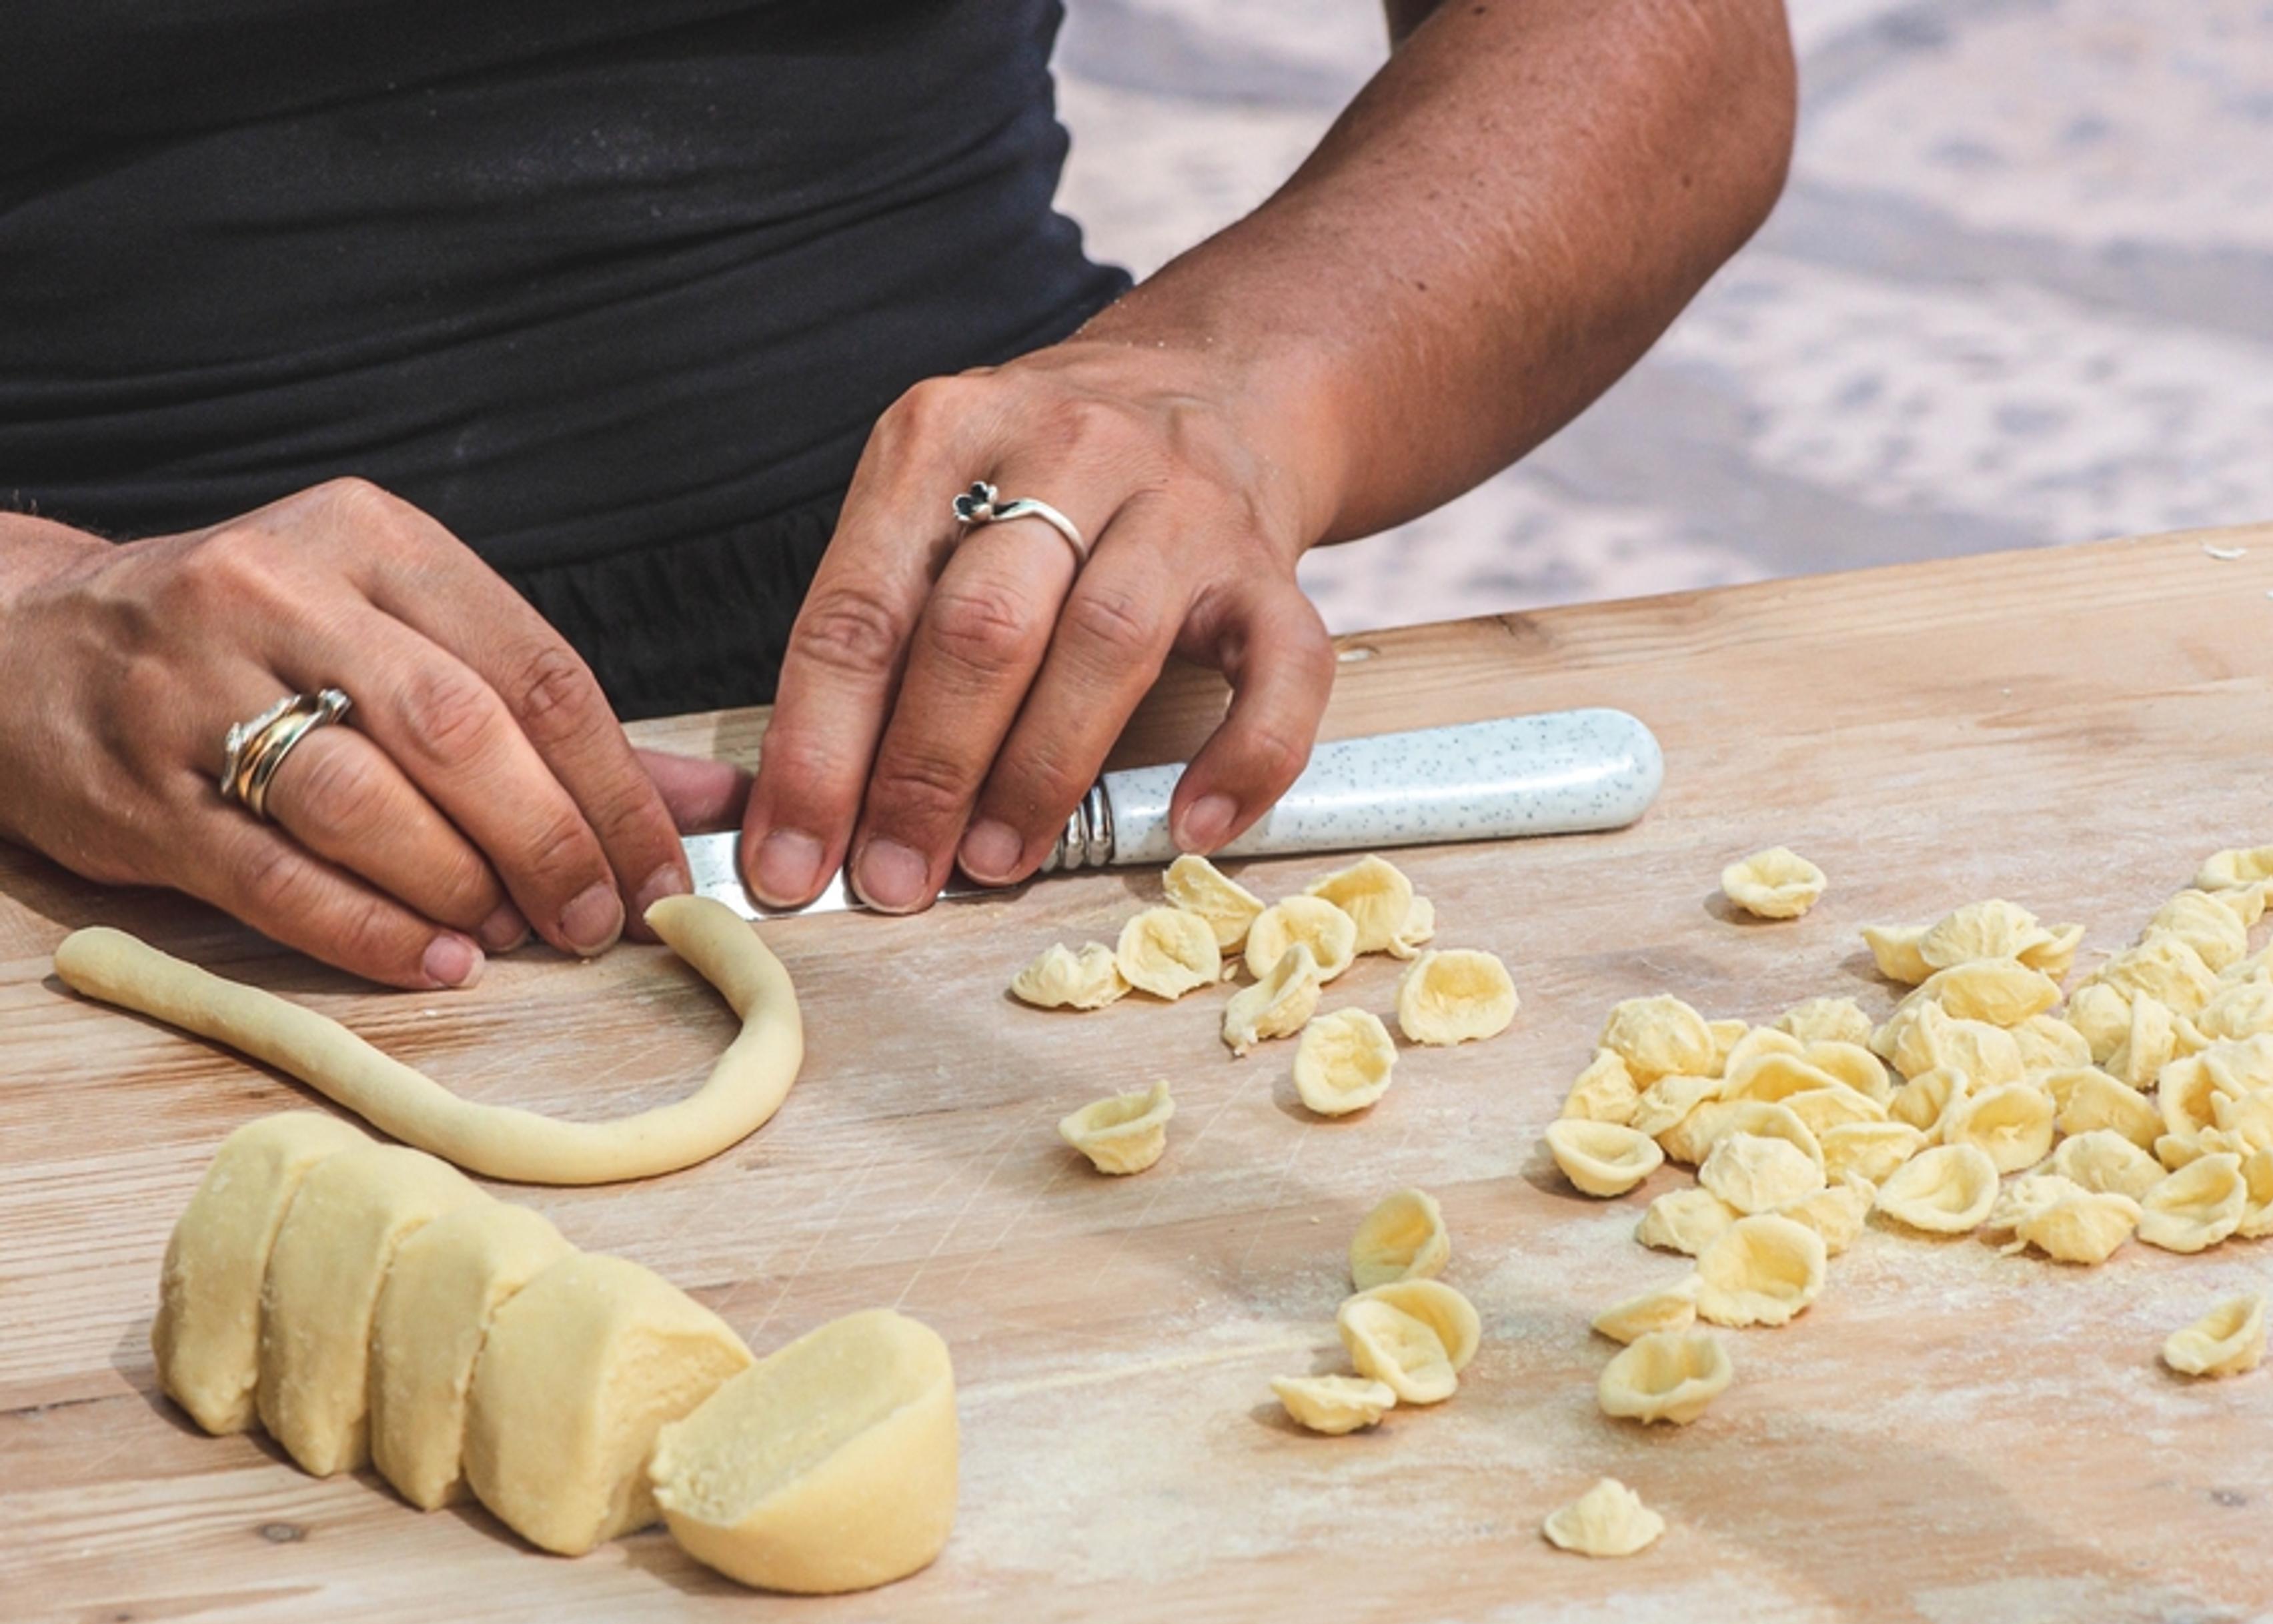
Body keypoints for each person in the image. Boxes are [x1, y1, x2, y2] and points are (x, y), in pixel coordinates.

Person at [0, 0, 1795, 988]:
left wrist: (1231, 388)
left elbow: (1667, 44)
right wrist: (29, 621)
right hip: (103, 764)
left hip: (1007, 650)